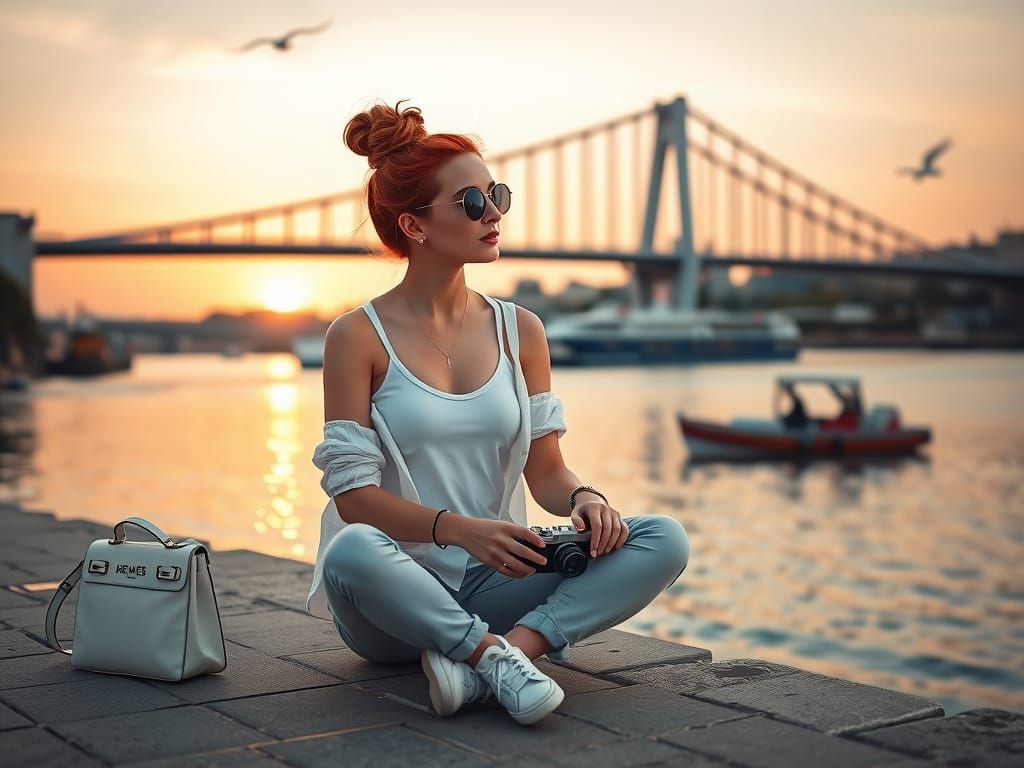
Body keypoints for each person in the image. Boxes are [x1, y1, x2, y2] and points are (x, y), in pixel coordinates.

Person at [308, 101, 690, 726]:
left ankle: (506, 657)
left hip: (496, 584)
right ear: (415, 225)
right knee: (349, 550)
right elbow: (353, 497)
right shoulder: (356, 336)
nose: (494, 216)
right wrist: (463, 530)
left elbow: (546, 473)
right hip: (391, 599)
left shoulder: (522, 331)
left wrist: (585, 500)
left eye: (497, 195)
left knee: (661, 538)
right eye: (471, 202)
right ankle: (491, 656)